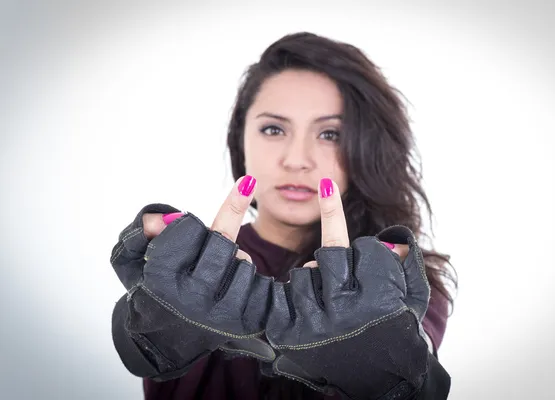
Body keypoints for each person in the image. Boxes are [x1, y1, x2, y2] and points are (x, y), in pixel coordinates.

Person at [110, 32, 457, 400]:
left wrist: (387, 365)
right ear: (240, 139)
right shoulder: (186, 264)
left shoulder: (398, 274)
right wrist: (148, 327)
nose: (296, 159)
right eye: (273, 129)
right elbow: (141, 357)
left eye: (329, 134)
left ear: (366, 148)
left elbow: (422, 384)